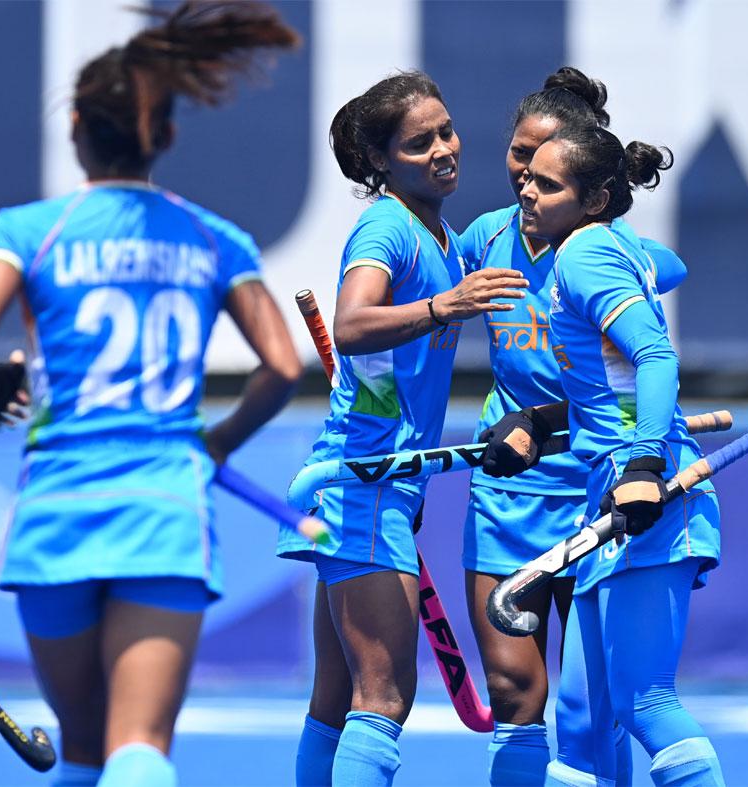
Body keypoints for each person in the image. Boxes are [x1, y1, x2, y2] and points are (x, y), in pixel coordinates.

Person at [0, 4, 302, 786]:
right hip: (164, 505)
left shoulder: (29, 228)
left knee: (81, 745)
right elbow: (282, 365)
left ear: (75, 128)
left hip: (57, 506)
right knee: (139, 745)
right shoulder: (211, 237)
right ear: (167, 135)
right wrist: (220, 440)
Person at [276, 70, 529, 787]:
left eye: (447, 131)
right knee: (383, 697)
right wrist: (445, 306)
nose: (446, 148)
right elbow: (351, 322)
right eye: (421, 143)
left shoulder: (440, 232)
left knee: (336, 699)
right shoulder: (388, 225)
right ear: (382, 160)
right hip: (361, 484)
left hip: (377, 485)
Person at [459, 67, 688, 786]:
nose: (526, 177)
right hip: (510, 484)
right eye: (519, 155)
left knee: (597, 706)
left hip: (594, 482)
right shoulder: (483, 237)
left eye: (546, 164)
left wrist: (615, 255)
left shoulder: (591, 248)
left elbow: (666, 279)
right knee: (515, 694)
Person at [512, 125, 723, 786]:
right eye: (527, 176)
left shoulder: (584, 255)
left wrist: (641, 463)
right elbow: (669, 271)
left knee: (646, 704)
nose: (527, 189)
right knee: (577, 719)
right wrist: (541, 425)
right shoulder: (609, 243)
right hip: (607, 497)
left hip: (649, 498)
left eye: (547, 184)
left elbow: (655, 356)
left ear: (597, 195)